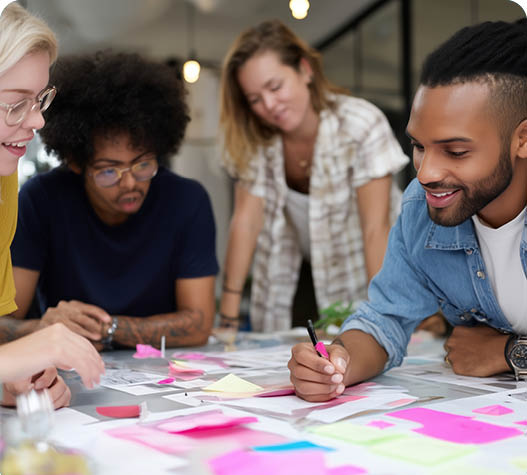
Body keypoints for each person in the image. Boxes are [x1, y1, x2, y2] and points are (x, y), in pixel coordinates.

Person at [288, 18, 527, 401]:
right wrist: (336, 363)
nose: (426, 173)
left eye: (455, 151)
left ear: (522, 139)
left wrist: (508, 353)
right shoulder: (422, 207)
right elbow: (384, 319)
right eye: (419, 146)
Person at [10, 50, 219, 350]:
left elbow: (198, 325)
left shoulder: (187, 200)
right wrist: (45, 327)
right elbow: (6, 318)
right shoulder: (40, 200)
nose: (130, 183)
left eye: (142, 164)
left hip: (166, 375)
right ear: (76, 163)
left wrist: (107, 328)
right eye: (109, 170)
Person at [218, 19, 409, 332]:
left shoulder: (360, 124)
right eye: (254, 99)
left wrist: (384, 318)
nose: (268, 105)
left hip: (367, 270)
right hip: (297, 272)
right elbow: (245, 222)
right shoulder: (257, 142)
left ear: (305, 70)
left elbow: (376, 228)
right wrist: (227, 319)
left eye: (275, 87)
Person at [0, 2, 104, 407]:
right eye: (15, 102)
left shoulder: (5, 181)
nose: (38, 121)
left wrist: (12, 382)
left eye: (40, 98)